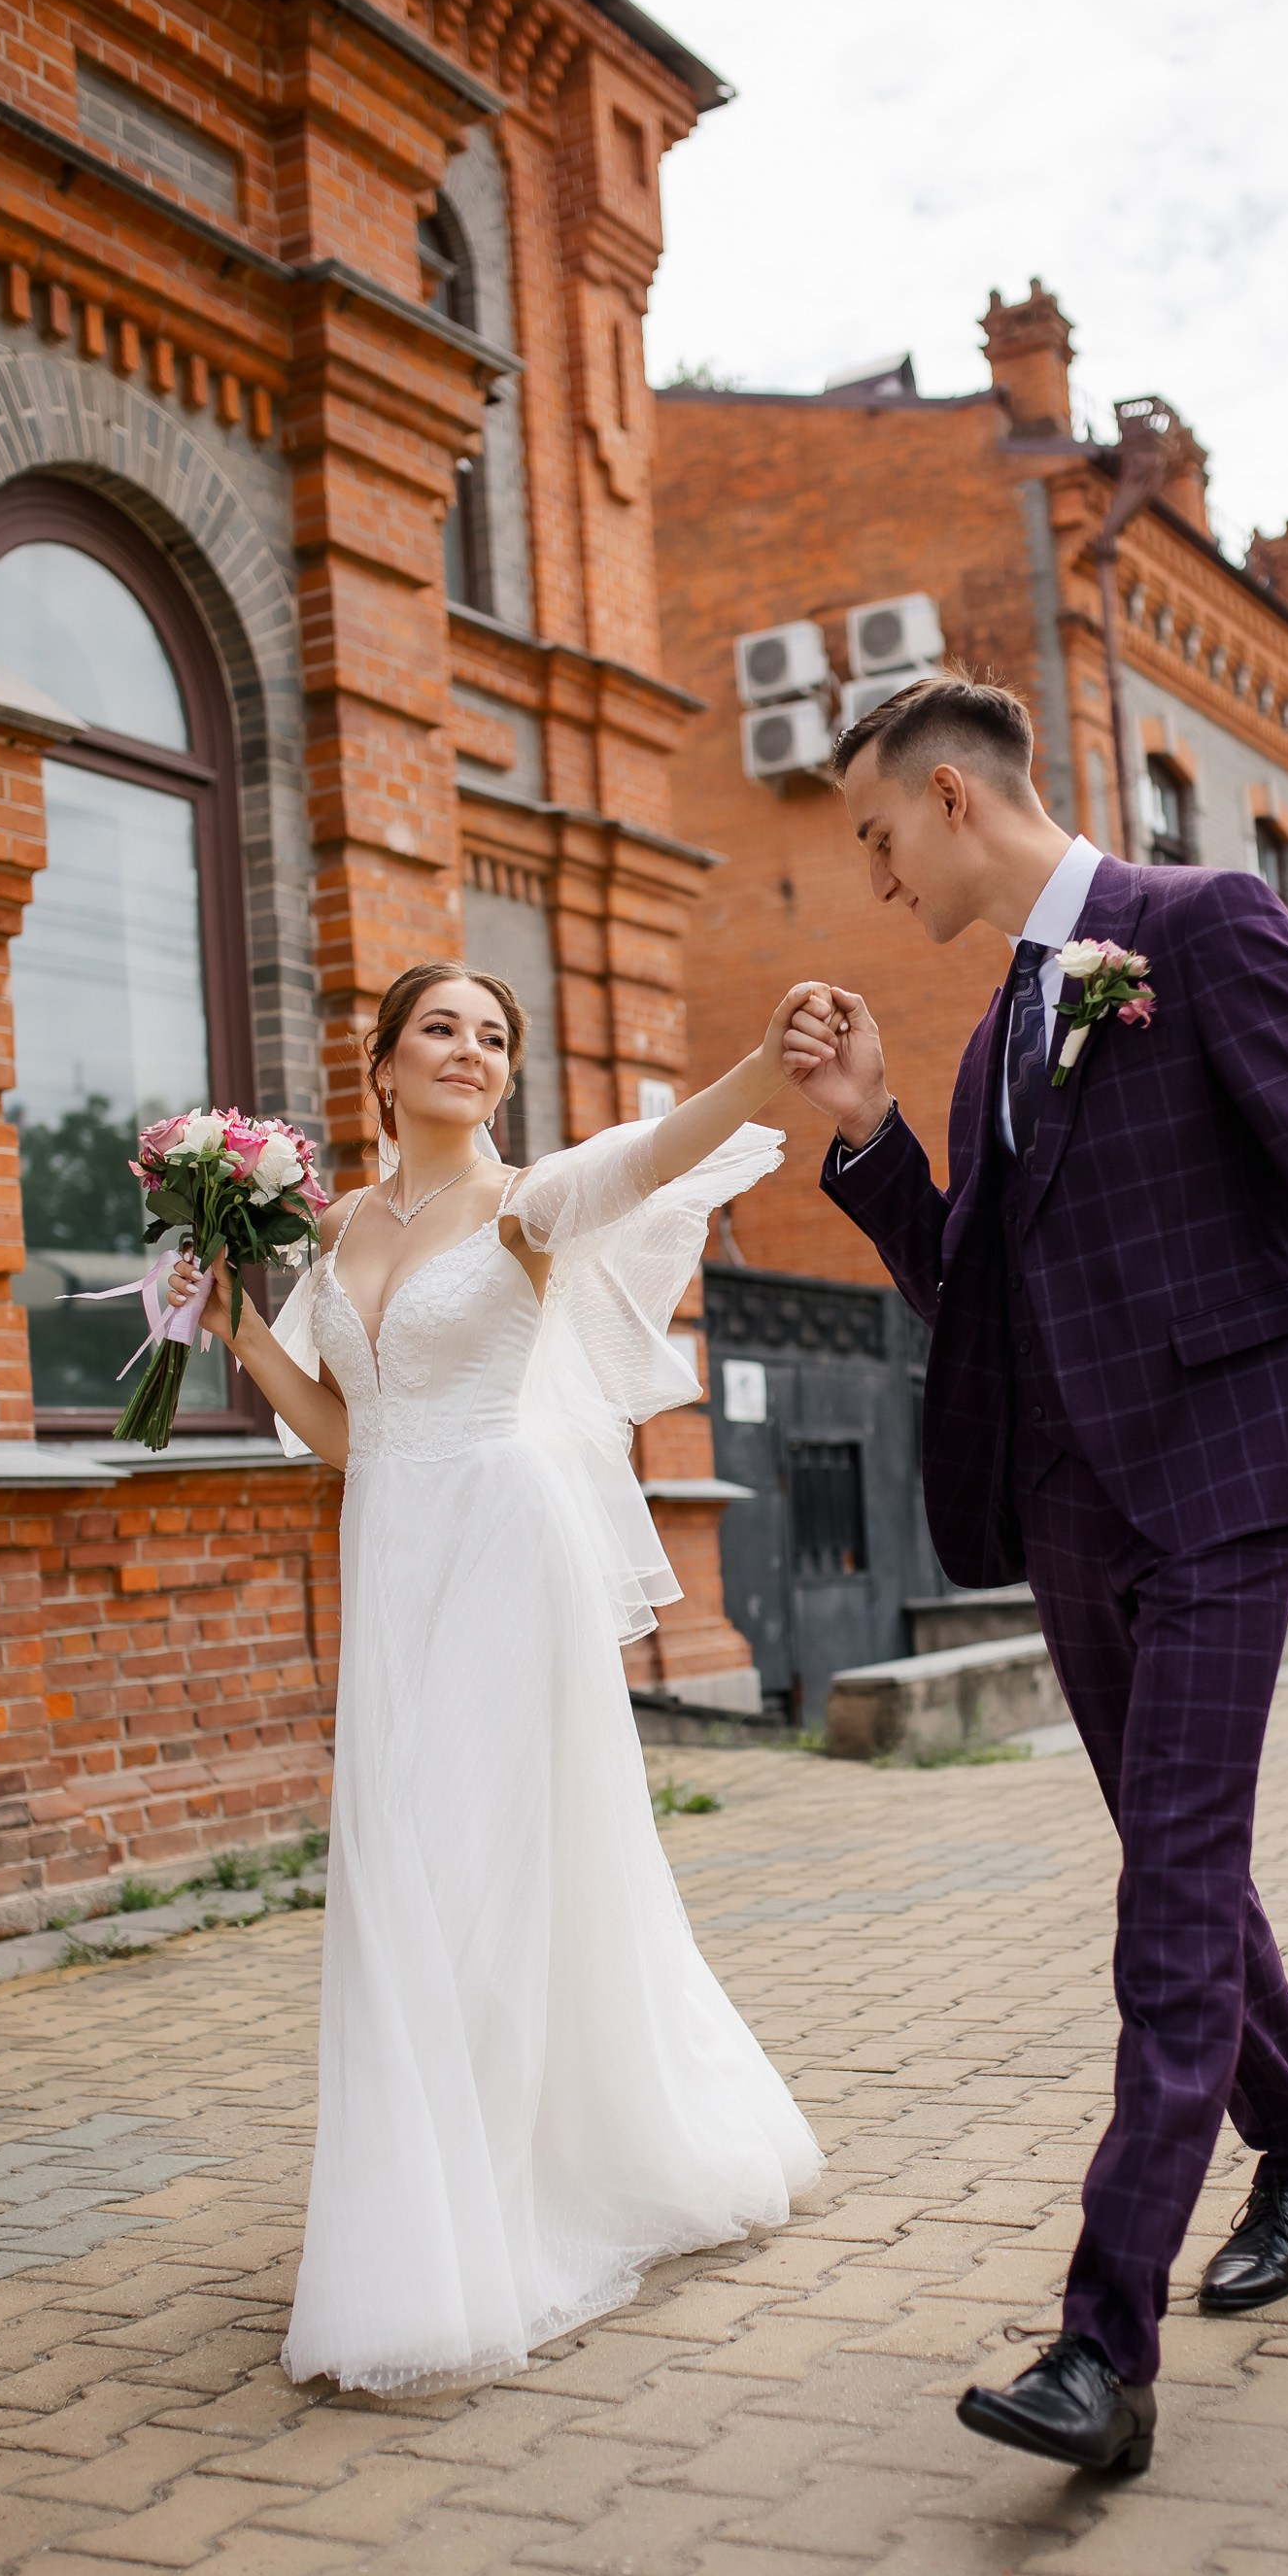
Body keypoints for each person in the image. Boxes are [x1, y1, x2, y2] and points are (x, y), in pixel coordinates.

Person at [780, 673, 1288, 2477]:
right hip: (1070, 1514)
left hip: (1217, 1489)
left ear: (955, 797)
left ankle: (1102, 2346)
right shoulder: (993, 1037)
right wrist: (879, 1134)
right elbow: (984, 1294)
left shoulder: (1201, 931)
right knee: (1175, 1861)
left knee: (1173, 1894)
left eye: (880, 838)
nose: (877, 878)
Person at [170, 964, 824, 2396]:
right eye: (441, 1031)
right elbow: (350, 1437)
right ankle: (428, 2195)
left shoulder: (528, 1208)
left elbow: (651, 1157)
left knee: (479, 1870)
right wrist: (240, 1330)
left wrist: (764, 1064)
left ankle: (502, 2213)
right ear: (384, 1066)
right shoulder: (335, 1226)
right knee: (398, 1869)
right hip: (393, 1554)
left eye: (494, 1036)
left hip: (504, 1557)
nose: (472, 1052)